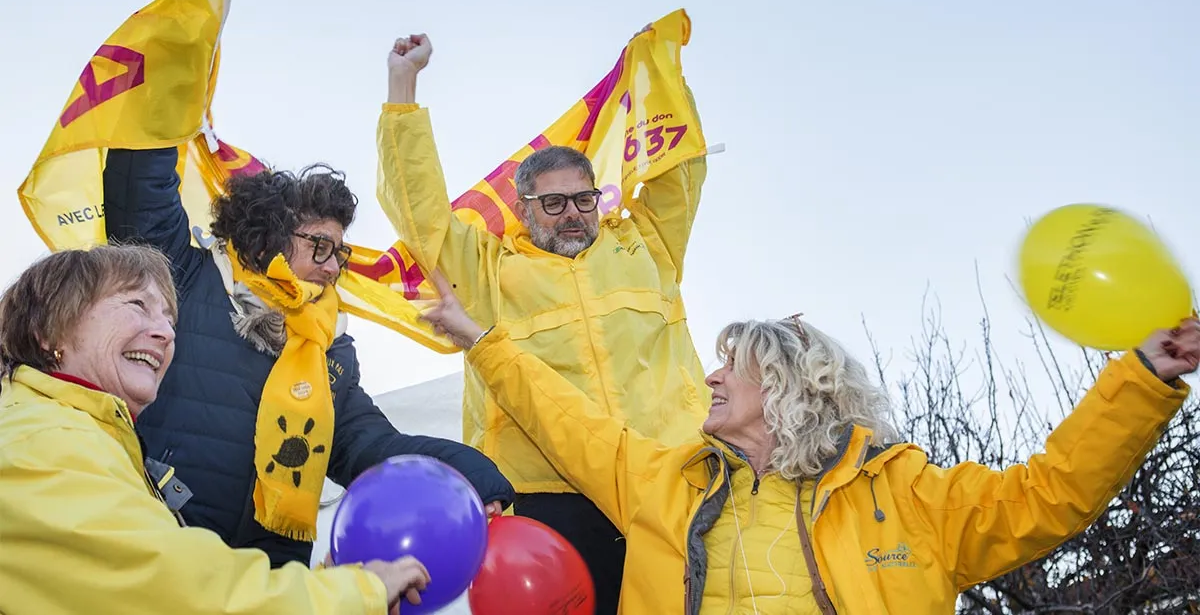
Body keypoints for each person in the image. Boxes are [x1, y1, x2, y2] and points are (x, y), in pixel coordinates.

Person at [420, 273, 1199, 614]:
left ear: (790, 386)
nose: (711, 377)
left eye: (733, 365)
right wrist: (480, 339)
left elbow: (1050, 493)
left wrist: (1140, 379)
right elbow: (564, 418)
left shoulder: (906, 494)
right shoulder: (661, 482)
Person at [379, 31, 710, 613]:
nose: (572, 214)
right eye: (553, 204)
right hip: (547, 497)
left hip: (663, 477)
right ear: (523, 208)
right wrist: (402, 87)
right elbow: (421, 214)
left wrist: (662, 74)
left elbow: (680, 170)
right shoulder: (487, 269)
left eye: (584, 199)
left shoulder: (648, 243)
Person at [101, 144, 514, 569]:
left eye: (339, 253)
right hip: (158, 551)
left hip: (270, 577)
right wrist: (166, 106)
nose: (333, 267)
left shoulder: (330, 348)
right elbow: (140, 190)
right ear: (267, 235)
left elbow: (371, 447)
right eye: (320, 246)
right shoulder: (183, 280)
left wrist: (470, 474)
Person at [0, 245, 433, 615]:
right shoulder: (38, 442)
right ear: (47, 331)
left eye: (169, 318)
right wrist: (354, 593)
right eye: (136, 305)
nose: (165, 332)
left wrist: (328, 584)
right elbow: (177, 594)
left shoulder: (87, 440)